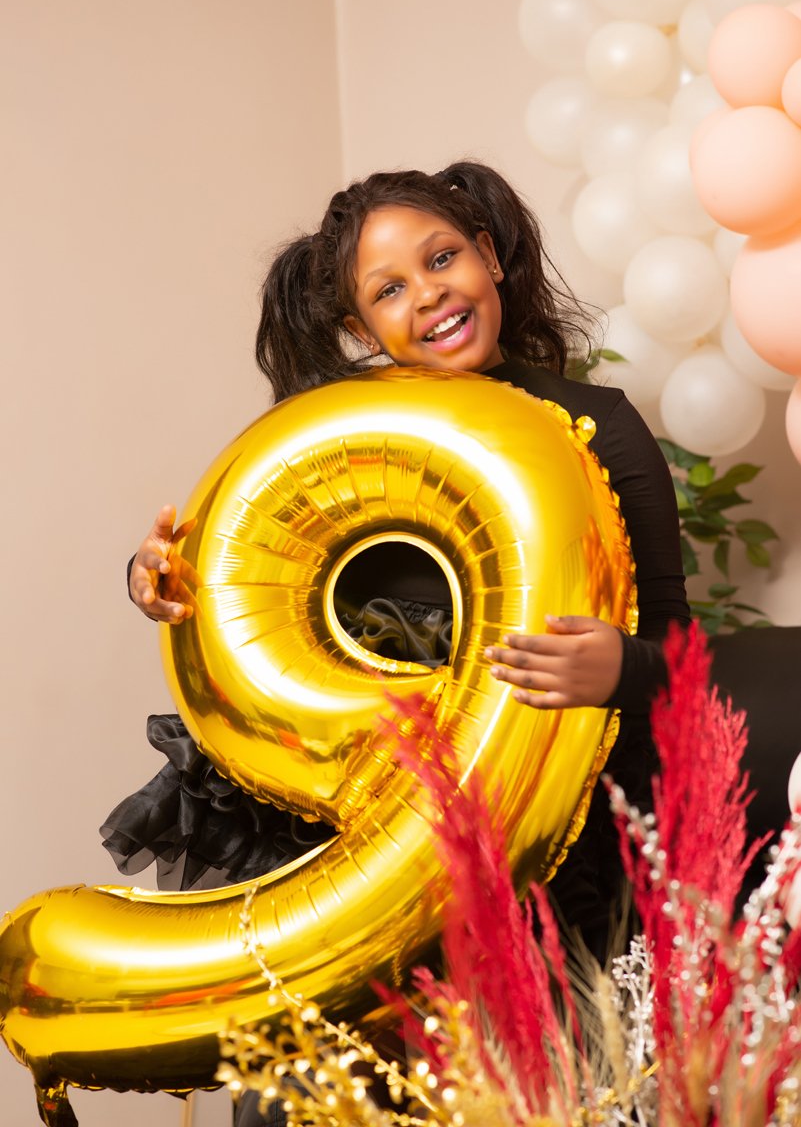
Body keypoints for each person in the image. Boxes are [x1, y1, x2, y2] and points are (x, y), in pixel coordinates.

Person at [102, 162, 690, 1124]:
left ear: (489, 257)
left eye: (442, 258)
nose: (428, 295)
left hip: (534, 848)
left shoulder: (599, 427)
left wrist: (618, 666)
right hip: (348, 839)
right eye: (388, 290)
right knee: (319, 1101)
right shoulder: (339, 436)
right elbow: (236, 574)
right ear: (359, 328)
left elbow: (684, 656)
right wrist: (150, 577)